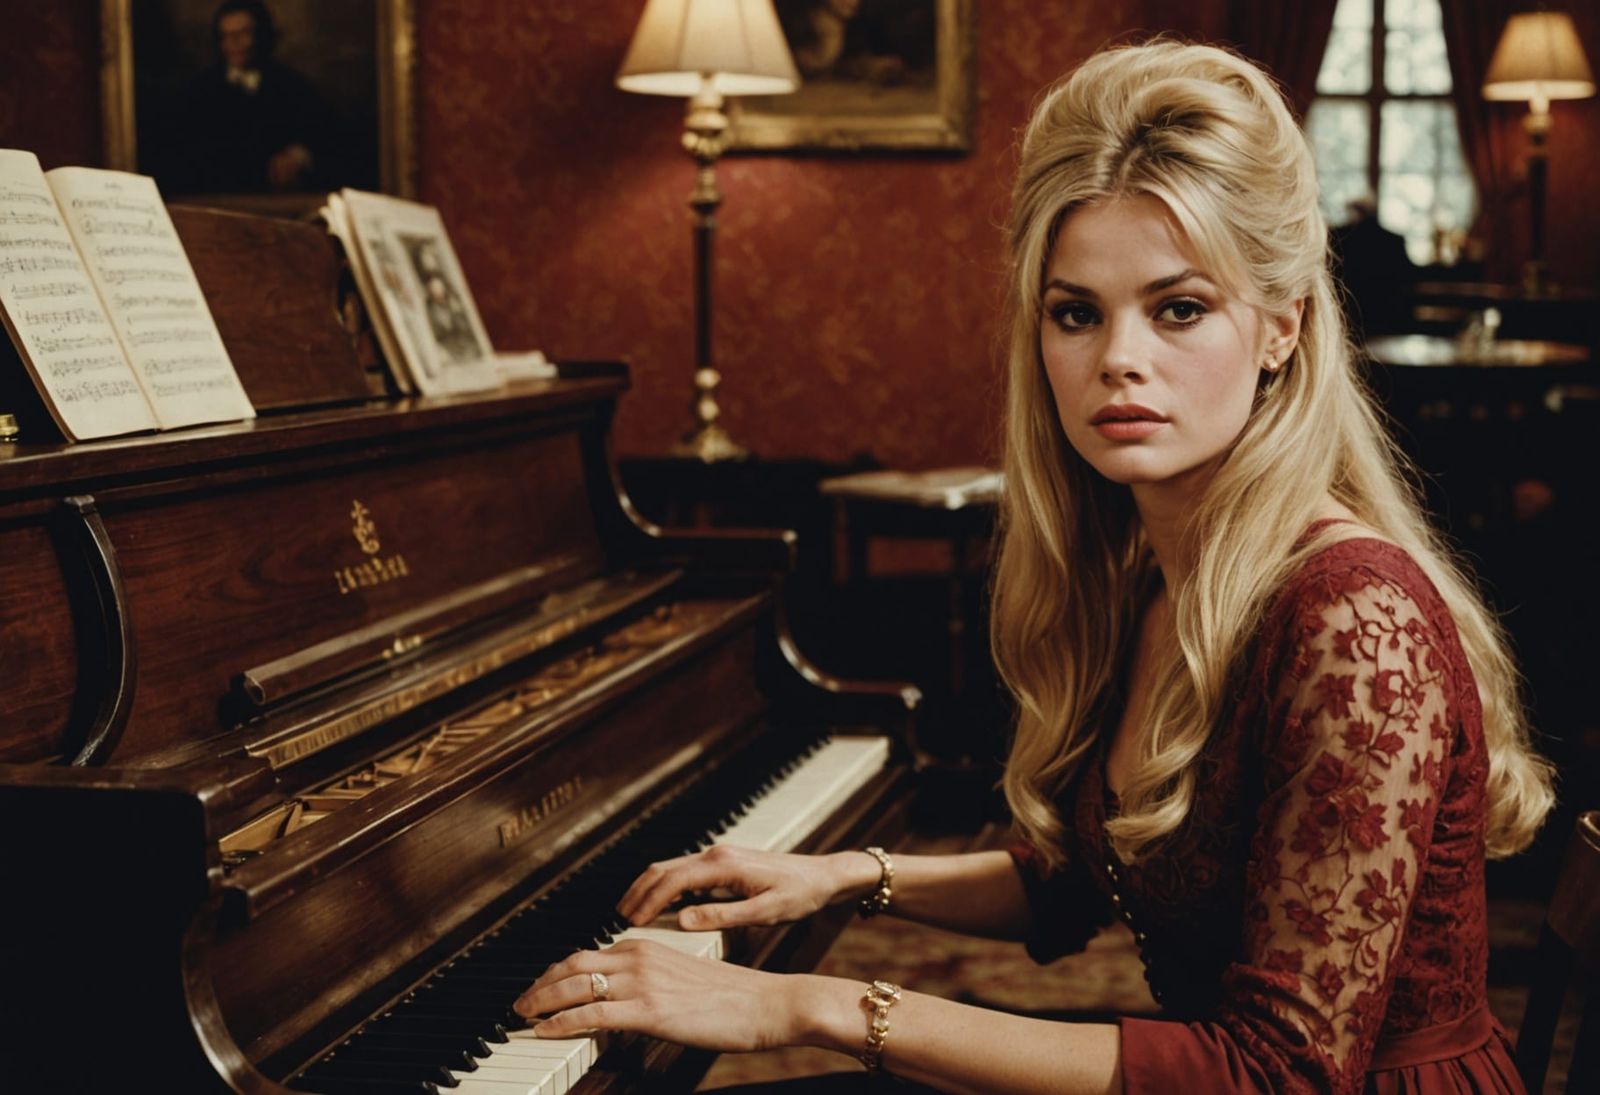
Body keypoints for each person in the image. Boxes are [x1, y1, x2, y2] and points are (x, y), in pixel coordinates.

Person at [512, 40, 1554, 1094]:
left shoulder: (1351, 619)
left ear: (1281, 328)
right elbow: (1083, 876)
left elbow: (1282, 1073)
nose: (1118, 360)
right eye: (1076, 313)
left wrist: (808, 1005)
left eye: (1179, 308)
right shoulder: (1157, 568)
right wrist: (844, 875)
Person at [158, 0, 340, 195]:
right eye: (226, 35)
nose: (233, 43)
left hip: (277, 199)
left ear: (262, 35)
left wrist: (298, 156)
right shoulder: (198, 90)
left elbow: (325, 135)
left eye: (243, 33)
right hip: (216, 197)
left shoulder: (291, 84)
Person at [1328, 196, 1417, 338]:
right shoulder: (1393, 240)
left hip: (1351, 316)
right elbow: (1408, 277)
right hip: (1390, 315)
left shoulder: (1339, 238)